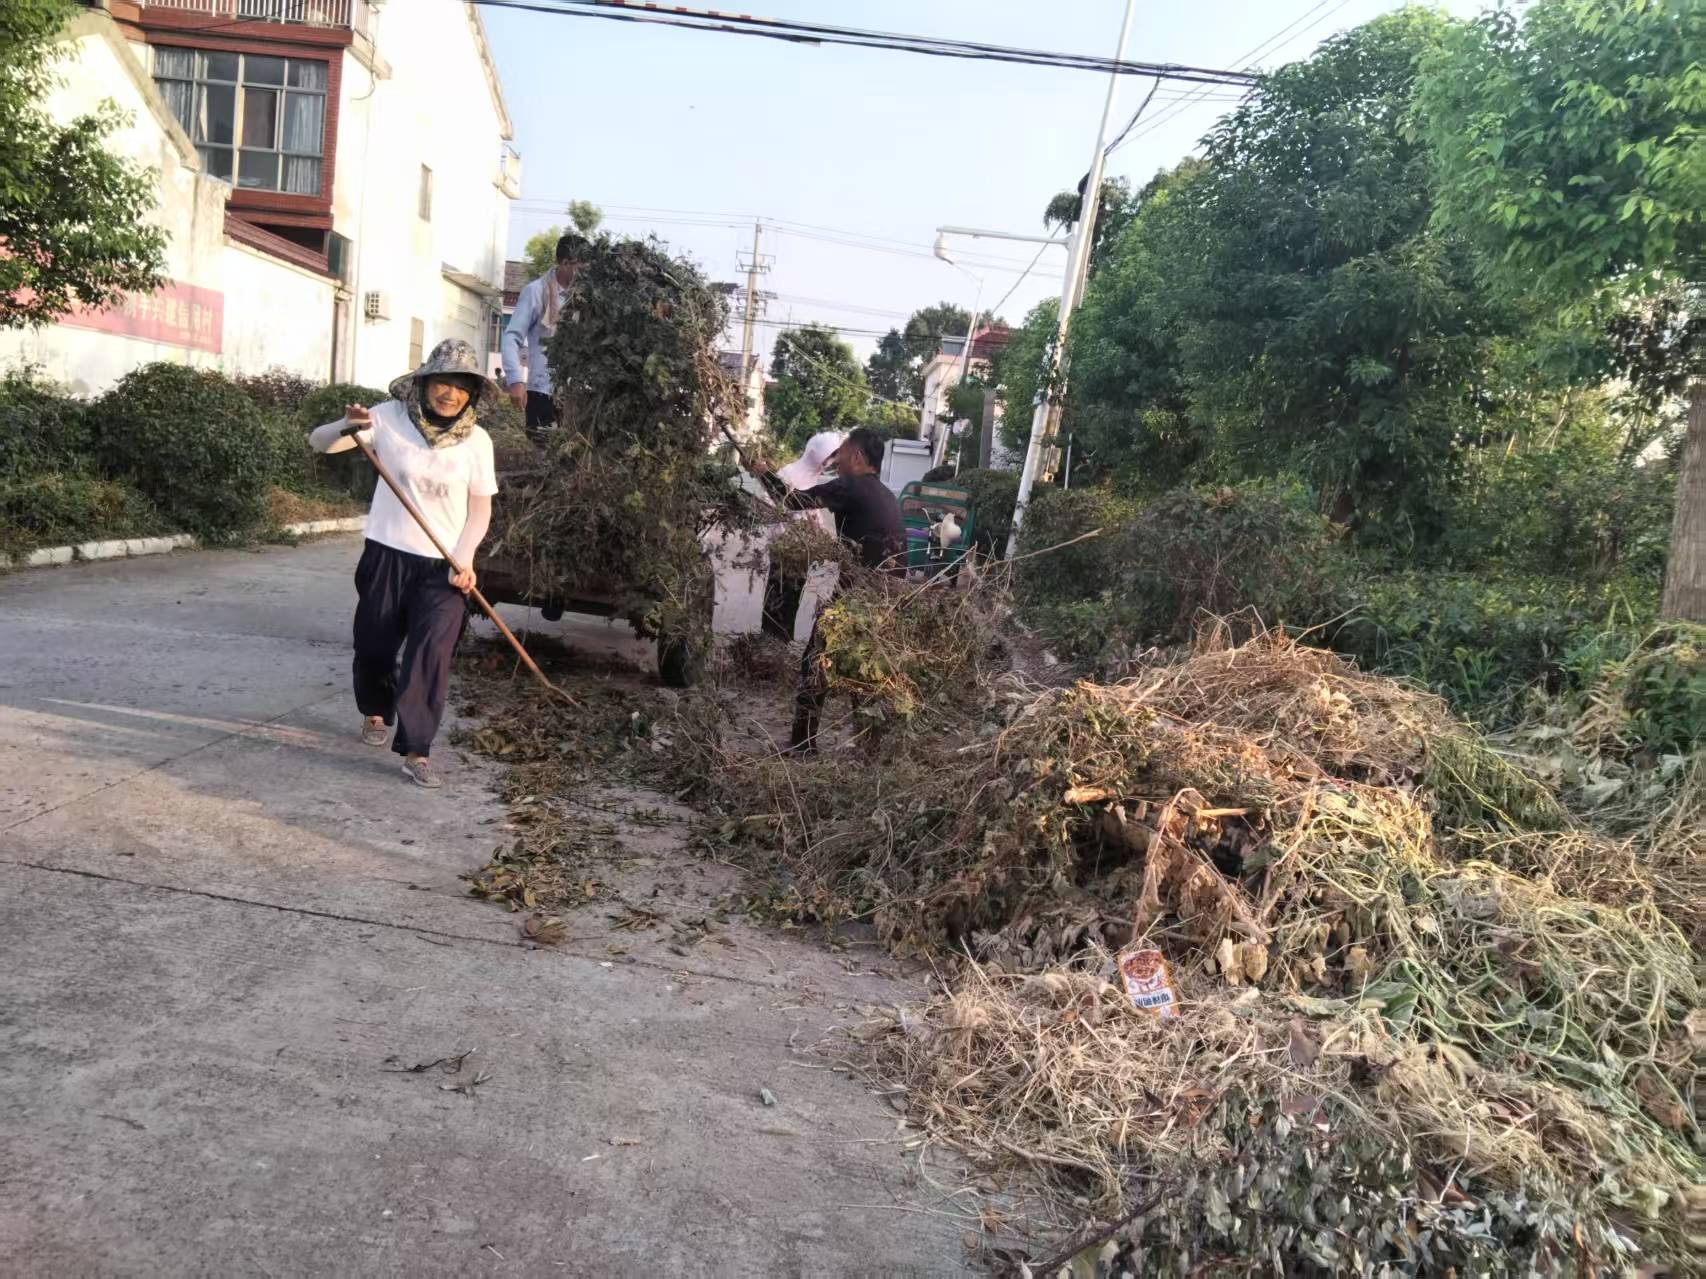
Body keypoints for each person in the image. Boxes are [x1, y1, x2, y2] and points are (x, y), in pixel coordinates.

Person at [308, 339, 501, 789]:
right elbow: (319, 444)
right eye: (441, 383)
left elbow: (480, 510)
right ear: (424, 382)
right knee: (374, 644)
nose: (449, 394)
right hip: (386, 554)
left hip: (444, 567)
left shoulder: (478, 441)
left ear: (471, 393)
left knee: (430, 653)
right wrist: (345, 424)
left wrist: (466, 558)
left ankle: (417, 748)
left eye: (459, 386)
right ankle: (375, 708)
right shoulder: (389, 418)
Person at [756, 427, 904, 753]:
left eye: (841, 454)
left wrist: (764, 473)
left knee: (816, 661)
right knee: (863, 667)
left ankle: (803, 744)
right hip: (883, 594)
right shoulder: (884, 493)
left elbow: (794, 500)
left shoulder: (853, 486)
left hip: (859, 593)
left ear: (858, 457)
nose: (836, 462)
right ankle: (869, 748)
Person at [500, 232, 585, 437]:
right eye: (581, 266)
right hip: (542, 392)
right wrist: (515, 380)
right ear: (565, 263)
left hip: (576, 396)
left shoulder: (586, 297)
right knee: (542, 459)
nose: (586, 272)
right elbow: (512, 337)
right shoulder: (536, 292)